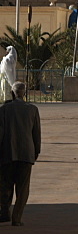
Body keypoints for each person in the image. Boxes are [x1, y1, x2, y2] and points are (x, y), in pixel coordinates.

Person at [0, 81, 41, 226]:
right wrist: (35, 152)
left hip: (7, 153)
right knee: (23, 189)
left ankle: (5, 212)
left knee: (5, 185)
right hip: (26, 154)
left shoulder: (4, 109)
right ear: (24, 93)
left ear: (12, 93)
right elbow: (36, 134)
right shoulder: (32, 110)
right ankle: (17, 218)